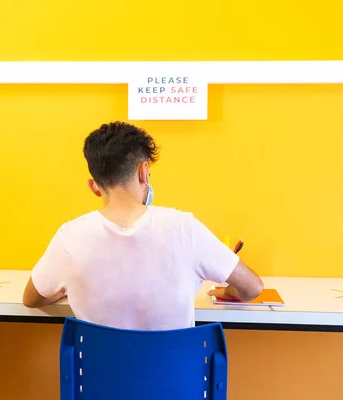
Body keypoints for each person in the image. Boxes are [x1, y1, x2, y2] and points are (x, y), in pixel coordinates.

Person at [22, 121, 263, 330]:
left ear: (94, 186)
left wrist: (72, 284)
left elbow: (31, 299)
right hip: (177, 382)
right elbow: (252, 288)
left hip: (99, 382)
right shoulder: (184, 227)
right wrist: (232, 290)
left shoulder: (70, 238)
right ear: (143, 172)